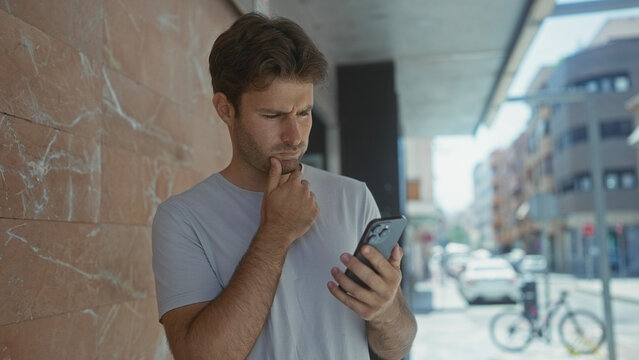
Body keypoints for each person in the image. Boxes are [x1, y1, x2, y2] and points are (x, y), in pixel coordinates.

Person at [152, 12, 417, 360]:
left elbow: (397, 347)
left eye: (304, 113)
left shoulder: (353, 197)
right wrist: (275, 233)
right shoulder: (183, 218)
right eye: (273, 116)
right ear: (225, 109)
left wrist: (384, 310)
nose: (295, 137)